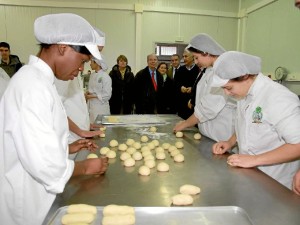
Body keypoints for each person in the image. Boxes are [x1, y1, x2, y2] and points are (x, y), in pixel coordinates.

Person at [0, 13, 109, 225]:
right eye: (82, 61)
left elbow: (31, 143)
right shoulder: (31, 86)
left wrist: (66, 148)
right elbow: (45, 166)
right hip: (28, 207)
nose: (81, 70)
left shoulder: (41, 82)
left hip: (38, 198)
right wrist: (87, 168)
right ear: (62, 48)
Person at [211, 51, 300, 189]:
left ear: (245, 76)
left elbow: (298, 145)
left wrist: (255, 160)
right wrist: (230, 142)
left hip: (274, 182)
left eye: (228, 88)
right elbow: (247, 124)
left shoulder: (278, 98)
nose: (227, 93)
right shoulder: (243, 94)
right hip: (249, 175)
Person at [173, 33, 236, 142]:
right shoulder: (208, 70)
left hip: (220, 135)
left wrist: (185, 124)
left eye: (197, 58)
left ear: (206, 53)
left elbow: (208, 107)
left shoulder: (222, 73)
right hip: (208, 133)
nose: (196, 61)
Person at [54, 28, 106, 159]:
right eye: (97, 50)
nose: (95, 56)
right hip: (70, 138)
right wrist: (80, 131)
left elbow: (74, 103)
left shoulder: (75, 68)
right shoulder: (64, 72)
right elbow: (56, 112)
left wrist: (86, 124)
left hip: (79, 134)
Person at [174, 49, 199, 119]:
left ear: (192, 57)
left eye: (186, 56)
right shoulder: (180, 70)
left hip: (194, 104)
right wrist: (180, 87)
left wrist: (192, 89)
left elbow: (201, 85)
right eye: (183, 57)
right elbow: (175, 84)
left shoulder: (198, 70)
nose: (184, 58)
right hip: (182, 105)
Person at [86, 56, 112, 122]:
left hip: (101, 108)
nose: (90, 64)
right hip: (91, 107)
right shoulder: (92, 75)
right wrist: (88, 93)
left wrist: (92, 96)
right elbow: (92, 89)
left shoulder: (106, 77)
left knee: (100, 128)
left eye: (91, 62)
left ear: (97, 63)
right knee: (92, 127)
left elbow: (107, 95)